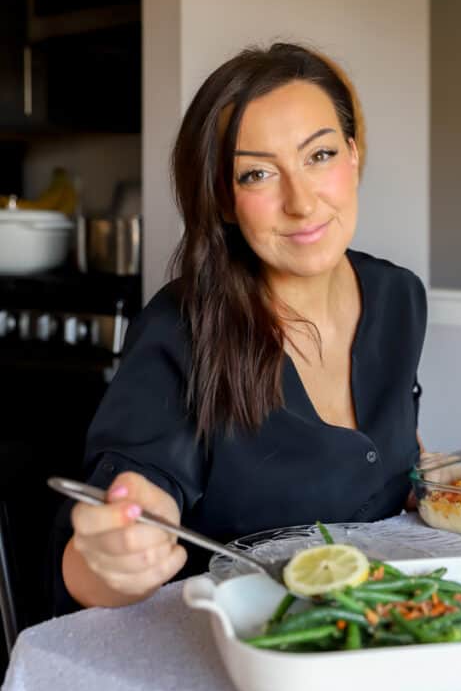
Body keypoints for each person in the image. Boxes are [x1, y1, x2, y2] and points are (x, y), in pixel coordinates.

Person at [56, 42, 427, 612]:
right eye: (257, 173)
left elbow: (388, 456)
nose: (301, 202)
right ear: (226, 202)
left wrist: (436, 478)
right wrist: (117, 548)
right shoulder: (183, 328)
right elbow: (119, 522)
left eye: (320, 156)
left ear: (354, 155)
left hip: (388, 626)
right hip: (242, 651)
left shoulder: (399, 296)